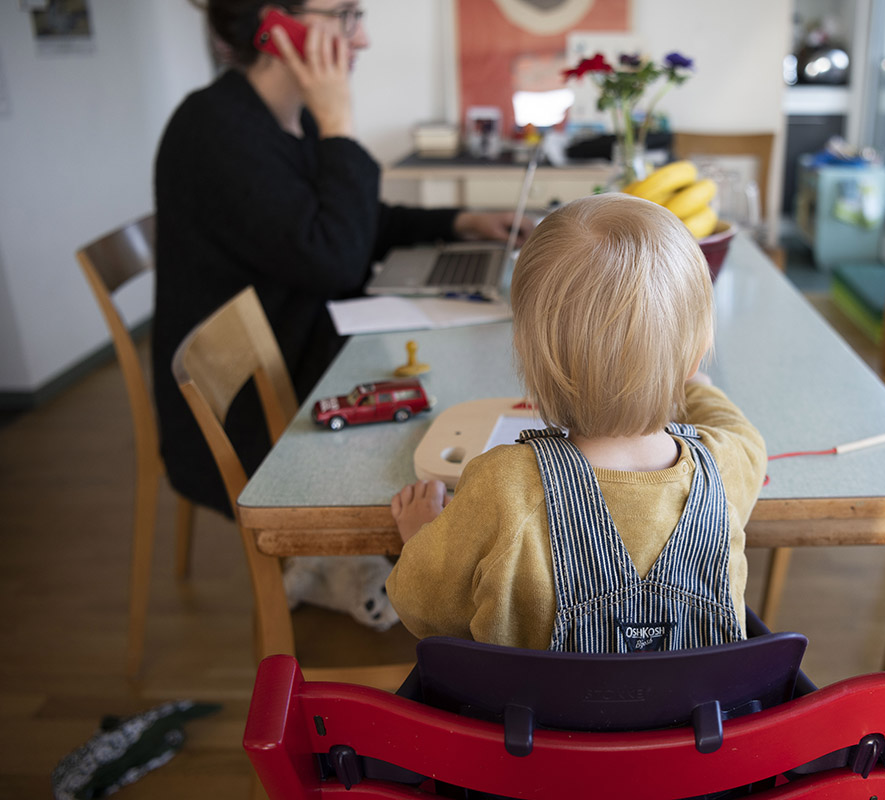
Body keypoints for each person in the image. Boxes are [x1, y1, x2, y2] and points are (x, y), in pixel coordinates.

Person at [153, 0, 529, 515]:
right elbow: (336, 257)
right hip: (266, 410)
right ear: (274, 25)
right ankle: (371, 568)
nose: (363, 38)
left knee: (472, 384)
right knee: (456, 417)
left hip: (309, 354)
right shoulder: (215, 131)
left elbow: (353, 219)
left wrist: (459, 221)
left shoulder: (286, 118)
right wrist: (338, 122)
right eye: (345, 15)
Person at [386, 193, 768, 653]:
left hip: (529, 726)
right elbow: (746, 436)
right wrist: (697, 387)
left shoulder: (502, 487)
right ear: (693, 357)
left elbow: (425, 611)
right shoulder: (725, 466)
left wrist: (418, 536)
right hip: (699, 725)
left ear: (530, 361)